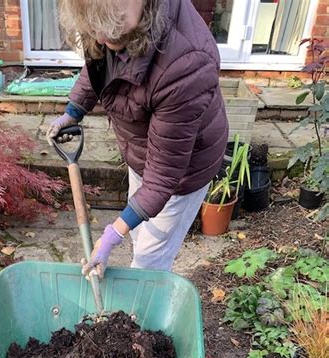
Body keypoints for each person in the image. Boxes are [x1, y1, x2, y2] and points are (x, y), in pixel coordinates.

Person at [47, 0, 229, 277]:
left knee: (149, 258)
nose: (101, 38)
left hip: (184, 172)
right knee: (139, 233)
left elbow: (162, 178)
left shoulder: (187, 64)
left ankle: (142, 310)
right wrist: (73, 112)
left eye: (111, 31)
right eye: (96, 29)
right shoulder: (106, 24)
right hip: (144, 151)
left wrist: (110, 236)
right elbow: (99, 65)